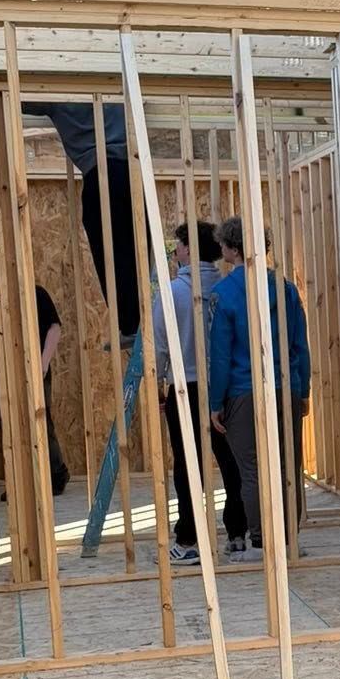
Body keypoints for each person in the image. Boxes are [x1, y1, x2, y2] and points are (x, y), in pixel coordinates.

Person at [0, 96, 140, 335]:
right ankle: (147, 319)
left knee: (109, 252)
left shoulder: (59, 96)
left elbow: (16, 96)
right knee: (138, 248)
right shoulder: (116, 86)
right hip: (136, 176)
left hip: (100, 176)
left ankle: (130, 325)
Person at [207, 216, 310, 559]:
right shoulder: (286, 290)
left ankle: (262, 541)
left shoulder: (222, 294)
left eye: (223, 244)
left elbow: (220, 356)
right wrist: (303, 389)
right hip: (286, 388)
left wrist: (214, 402)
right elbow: (300, 345)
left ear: (233, 249)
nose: (219, 248)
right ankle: (289, 540)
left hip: (243, 390)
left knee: (252, 469)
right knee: (287, 466)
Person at [152, 217, 244, 562]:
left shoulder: (173, 291)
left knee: (187, 464)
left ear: (189, 249)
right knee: (231, 461)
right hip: (225, 388)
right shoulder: (224, 289)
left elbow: (161, 345)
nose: (175, 250)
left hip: (184, 388)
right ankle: (237, 534)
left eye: (178, 244)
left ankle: (189, 540)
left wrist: (161, 381)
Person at [0, 283, 71, 494]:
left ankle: (54, 475)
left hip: (35, 374)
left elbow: (55, 327)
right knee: (9, 427)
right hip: (2, 376)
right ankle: (19, 483)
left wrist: (43, 363)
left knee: (41, 423)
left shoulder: (36, 293)